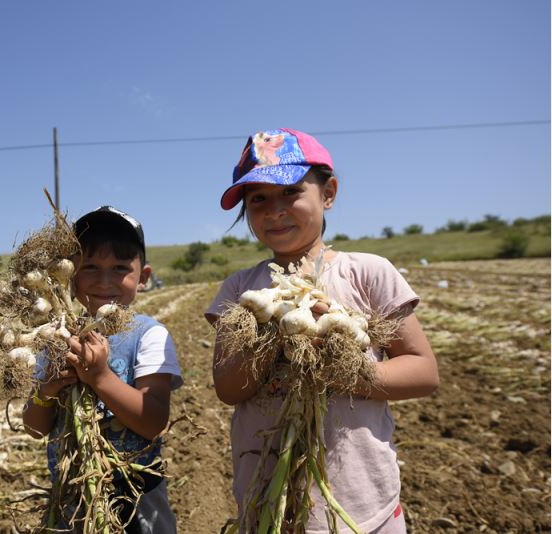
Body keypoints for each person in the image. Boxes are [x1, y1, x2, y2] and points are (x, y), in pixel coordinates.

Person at [204, 128, 439, 533]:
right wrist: (273, 335)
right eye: (258, 199)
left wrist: (341, 368)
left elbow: (423, 372)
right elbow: (228, 389)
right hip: (268, 504)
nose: (274, 210)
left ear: (328, 193)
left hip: (362, 508)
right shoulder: (240, 290)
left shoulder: (367, 272)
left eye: (291, 192)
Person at [22, 206, 183, 533]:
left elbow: (153, 422)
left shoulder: (149, 335)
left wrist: (101, 378)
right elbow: (36, 429)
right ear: (68, 276)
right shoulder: (57, 340)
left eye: (120, 268)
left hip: (137, 497)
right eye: (91, 267)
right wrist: (48, 390)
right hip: (72, 497)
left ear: (144, 278)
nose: (105, 281)